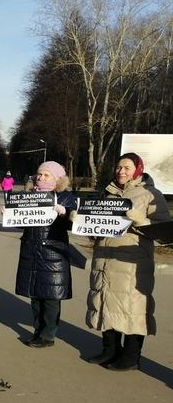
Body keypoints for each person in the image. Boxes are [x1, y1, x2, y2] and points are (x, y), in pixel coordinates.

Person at [85, 153, 171, 370]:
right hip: (105, 258)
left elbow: (164, 229)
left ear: (138, 169)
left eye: (126, 167)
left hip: (132, 262)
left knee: (133, 308)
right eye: (118, 167)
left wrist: (138, 218)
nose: (121, 171)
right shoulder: (108, 192)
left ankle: (131, 357)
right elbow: (94, 222)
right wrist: (80, 220)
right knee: (105, 304)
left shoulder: (150, 195)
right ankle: (109, 350)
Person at [14, 161, 76, 348]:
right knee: (35, 294)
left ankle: (48, 335)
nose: (40, 178)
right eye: (39, 175)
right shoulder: (29, 196)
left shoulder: (65, 197)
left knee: (50, 296)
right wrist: (11, 214)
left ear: (57, 178)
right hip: (32, 250)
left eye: (46, 175)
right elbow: (22, 222)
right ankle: (37, 331)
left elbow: (74, 224)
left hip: (53, 252)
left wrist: (66, 213)